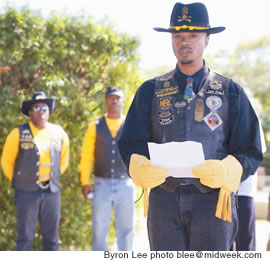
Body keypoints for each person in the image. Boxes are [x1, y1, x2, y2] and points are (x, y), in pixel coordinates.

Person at [118, 2, 263, 251]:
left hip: (214, 202)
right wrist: (137, 164)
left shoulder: (231, 92)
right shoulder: (150, 90)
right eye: (178, 35)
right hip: (164, 200)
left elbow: (250, 149)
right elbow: (130, 141)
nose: (184, 41)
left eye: (193, 35)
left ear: (207, 39)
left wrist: (229, 169)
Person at [1, 91, 69, 251]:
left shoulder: (59, 133)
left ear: (49, 111)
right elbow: (6, 161)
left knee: (52, 239)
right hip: (26, 193)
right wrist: (22, 181)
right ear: (30, 112)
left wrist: (50, 179)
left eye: (44, 107)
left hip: (52, 192)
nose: (41, 111)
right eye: (36, 108)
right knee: (25, 238)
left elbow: (63, 161)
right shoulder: (17, 133)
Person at [80, 86, 136, 251]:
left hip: (125, 183)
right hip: (101, 184)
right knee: (98, 230)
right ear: (106, 101)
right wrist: (85, 181)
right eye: (111, 97)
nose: (114, 100)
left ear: (123, 101)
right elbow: (87, 156)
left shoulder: (130, 125)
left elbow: (138, 154)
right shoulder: (95, 126)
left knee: (126, 230)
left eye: (118, 98)